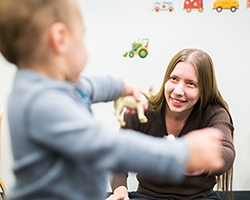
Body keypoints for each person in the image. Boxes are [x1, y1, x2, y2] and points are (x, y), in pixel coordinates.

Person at [0, 1, 224, 200]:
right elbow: (106, 147)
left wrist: (123, 87)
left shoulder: (57, 87)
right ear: (60, 39)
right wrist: (180, 155)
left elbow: (93, 86)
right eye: (82, 35)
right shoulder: (43, 102)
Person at [110, 48, 235, 200]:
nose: (178, 90)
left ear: (204, 89)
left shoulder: (214, 113)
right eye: (174, 79)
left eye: (190, 84)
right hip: (147, 197)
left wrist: (199, 161)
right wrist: (120, 192)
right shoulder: (141, 110)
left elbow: (227, 152)